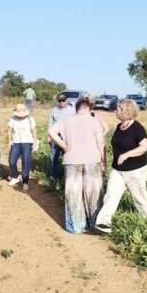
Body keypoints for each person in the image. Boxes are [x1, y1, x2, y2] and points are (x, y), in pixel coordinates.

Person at [48, 98, 105, 233]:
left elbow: (51, 131)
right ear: (89, 108)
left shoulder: (67, 120)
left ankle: (75, 226)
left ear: (77, 108)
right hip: (92, 159)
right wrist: (103, 160)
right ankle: (95, 224)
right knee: (94, 192)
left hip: (72, 159)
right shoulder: (94, 121)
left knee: (73, 192)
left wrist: (63, 145)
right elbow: (101, 142)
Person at [95, 99, 147, 234]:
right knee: (111, 195)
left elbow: (144, 147)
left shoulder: (137, 128)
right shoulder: (119, 126)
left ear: (126, 111)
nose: (116, 111)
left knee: (139, 197)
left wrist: (127, 155)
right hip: (118, 169)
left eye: (119, 109)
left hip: (136, 169)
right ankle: (104, 223)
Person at [7, 103, 39, 191]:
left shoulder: (30, 119)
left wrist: (35, 141)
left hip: (27, 142)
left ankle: (25, 182)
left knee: (26, 162)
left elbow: (34, 130)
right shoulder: (13, 119)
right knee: (11, 160)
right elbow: (9, 130)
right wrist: (10, 141)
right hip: (16, 142)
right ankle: (15, 177)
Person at [47, 93, 76, 183]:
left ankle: (68, 177)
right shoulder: (54, 110)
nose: (61, 102)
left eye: (63, 100)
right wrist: (49, 136)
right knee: (53, 157)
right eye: (60, 100)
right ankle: (53, 176)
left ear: (67, 100)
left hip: (67, 137)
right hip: (56, 137)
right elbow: (50, 123)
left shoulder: (72, 110)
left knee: (68, 157)